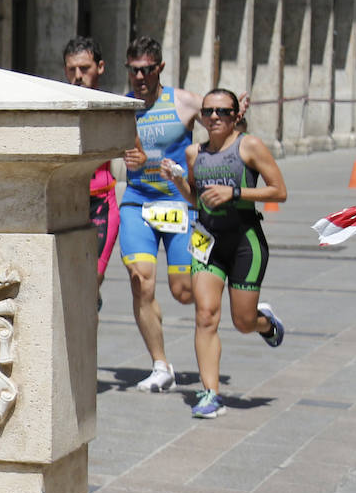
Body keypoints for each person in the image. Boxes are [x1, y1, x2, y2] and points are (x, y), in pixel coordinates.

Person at [161, 88, 286, 419]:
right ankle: (210, 393)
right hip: (206, 240)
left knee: (243, 321)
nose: (215, 117)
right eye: (209, 112)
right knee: (205, 315)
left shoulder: (250, 146)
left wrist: (236, 192)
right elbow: (195, 200)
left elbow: (279, 190)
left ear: (235, 116)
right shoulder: (193, 153)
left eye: (223, 112)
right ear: (201, 117)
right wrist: (176, 180)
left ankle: (265, 324)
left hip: (245, 240)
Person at [118, 36, 201, 392]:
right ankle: (160, 365)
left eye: (147, 70)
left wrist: (235, 113)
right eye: (134, 70)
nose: (140, 77)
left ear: (160, 68)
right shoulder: (122, 108)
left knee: (184, 291)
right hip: (137, 202)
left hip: (179, 207)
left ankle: (239, 296)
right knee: (141, 280)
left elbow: (222, 121)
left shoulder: (183, 102)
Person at [62, 37, 120, 300]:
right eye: (71, 69)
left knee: (91, 278)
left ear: (100, 67)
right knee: (64, 278)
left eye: (84, 69)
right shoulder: (59, 106)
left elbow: (137, 151)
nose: (77, 76)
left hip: (100, 204)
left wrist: (138, 160)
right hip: (66, 201)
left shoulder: (111, 108)